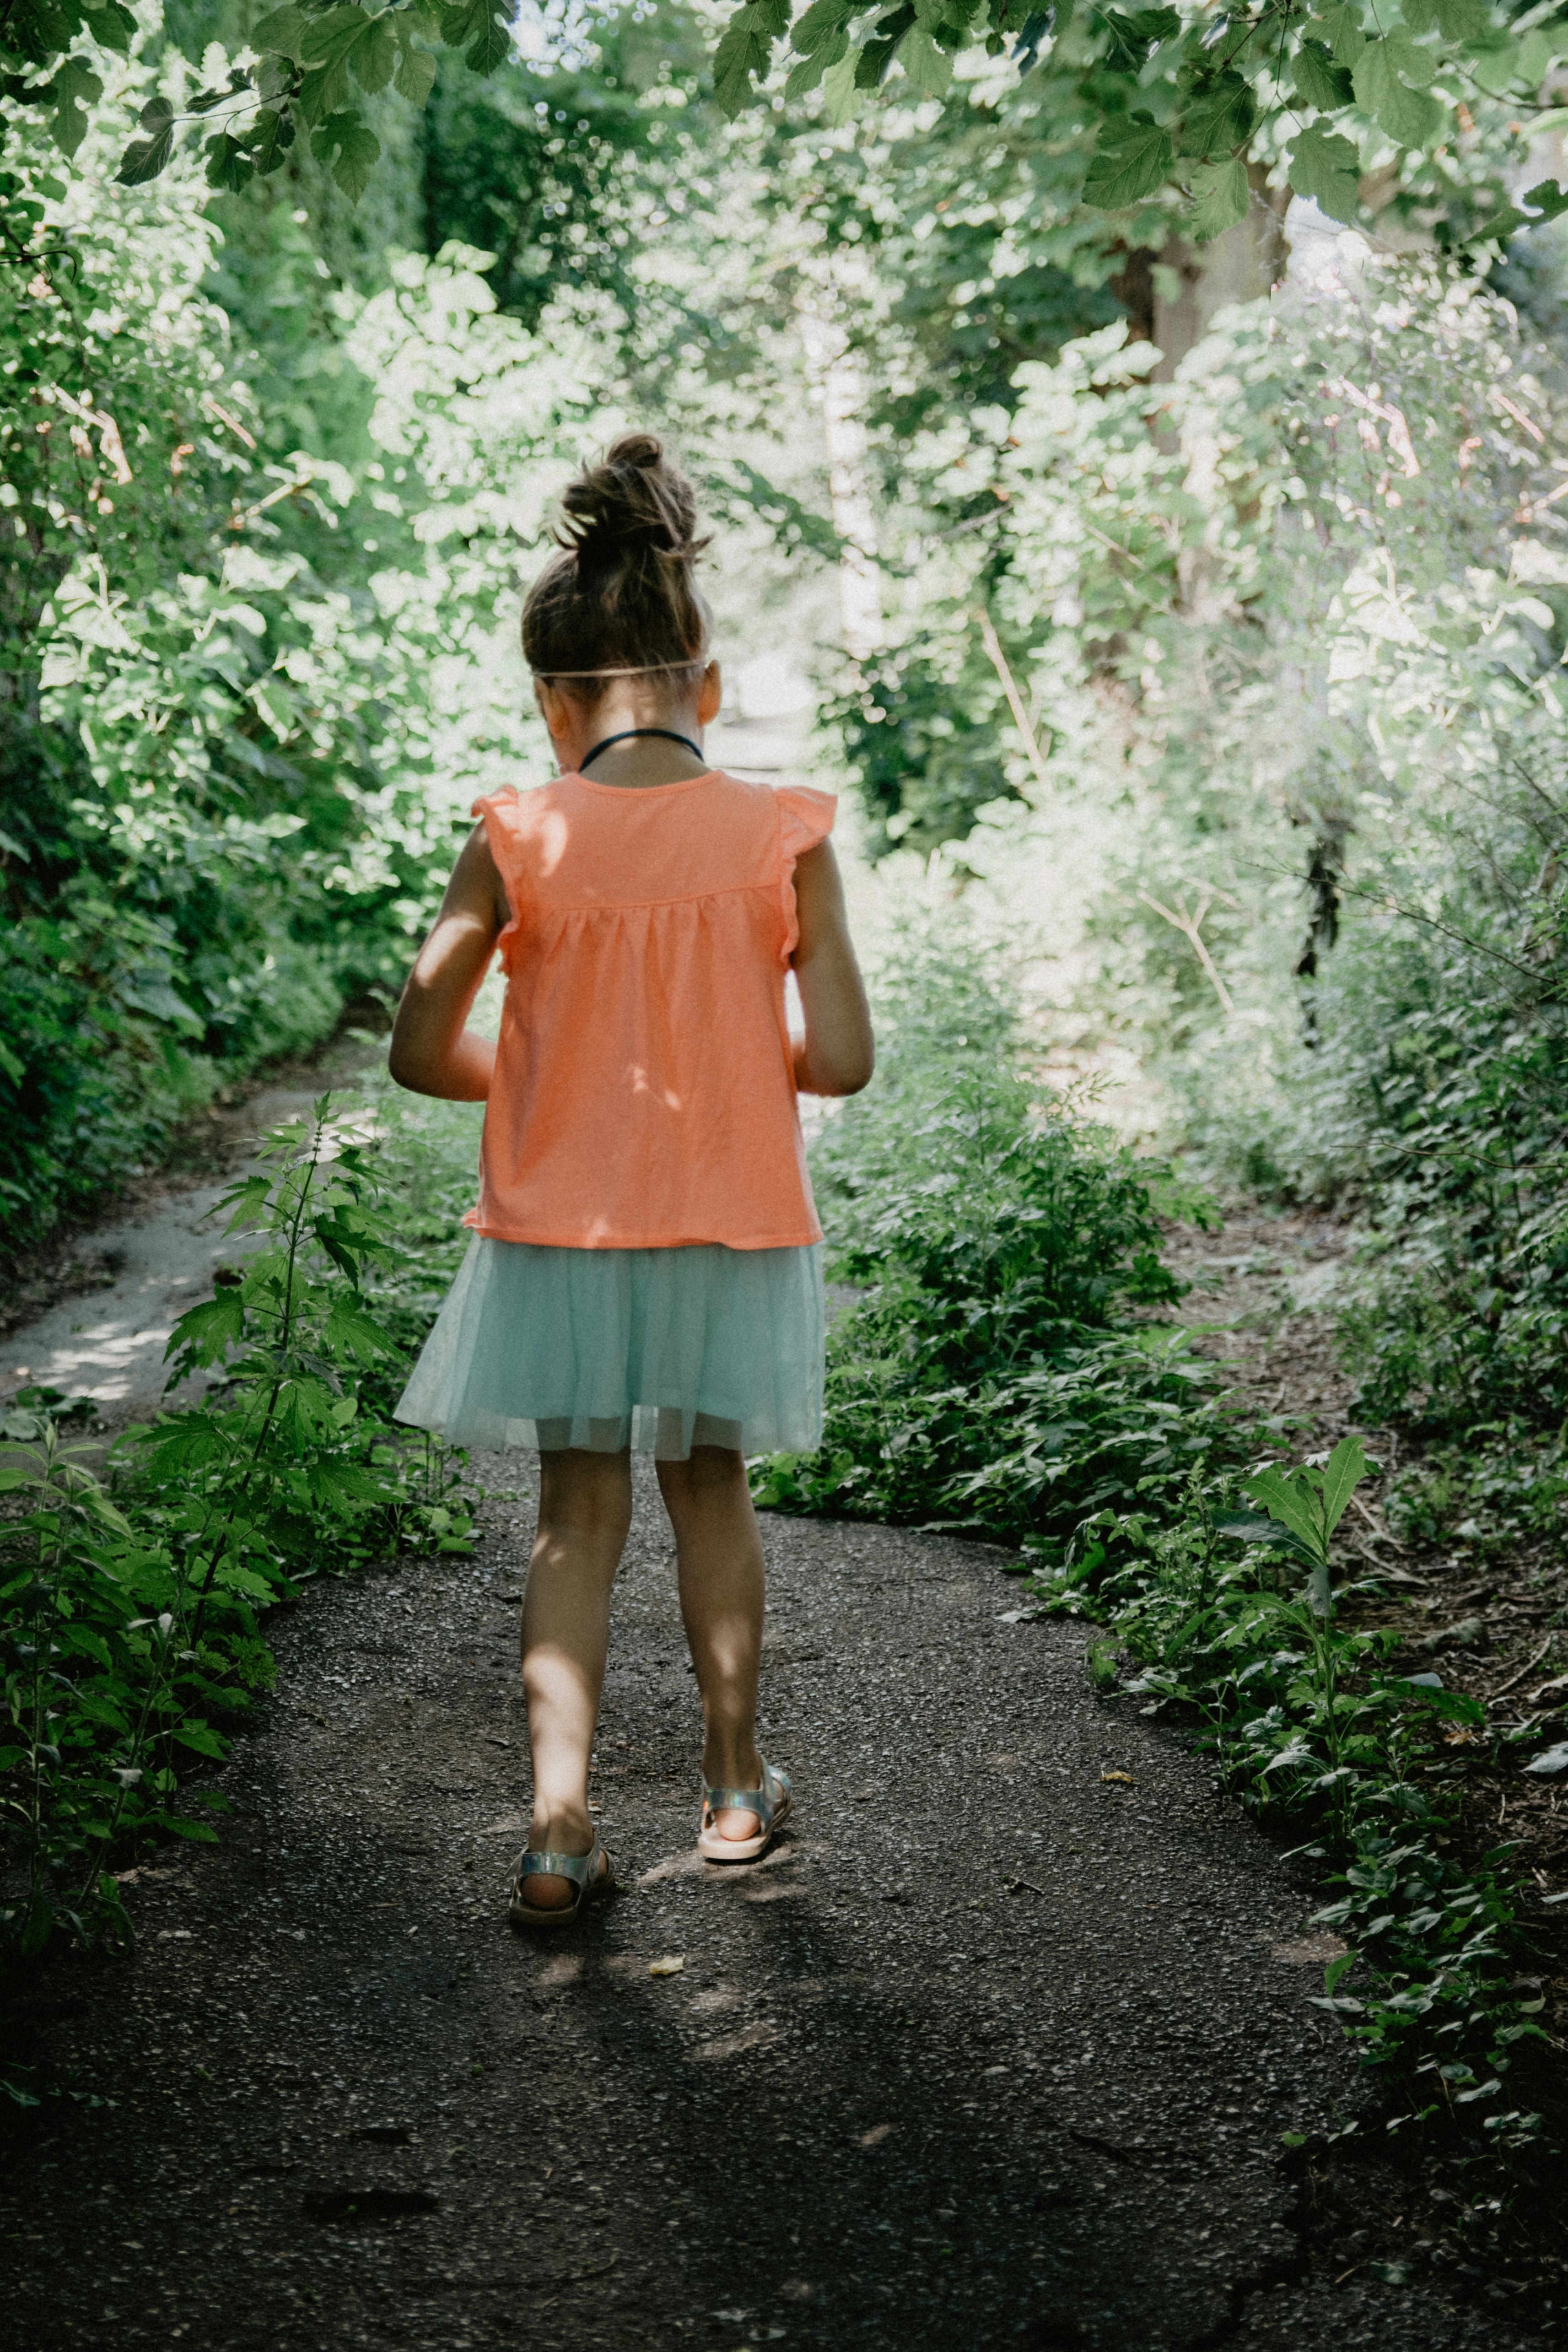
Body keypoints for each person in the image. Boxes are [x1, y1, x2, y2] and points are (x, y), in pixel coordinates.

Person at [387, 434, 874, 1928]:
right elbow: (843, 1059)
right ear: (704, 683)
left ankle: (555, 1830)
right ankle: (733, 1787)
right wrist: (729, 1062)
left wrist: (548, 1091)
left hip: (561, 1230)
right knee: (709, 1483)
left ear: (552, 702)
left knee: (572, 1509)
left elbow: (420, 1046)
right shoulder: (782, 834)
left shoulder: (516, 835)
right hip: (730, 1223)